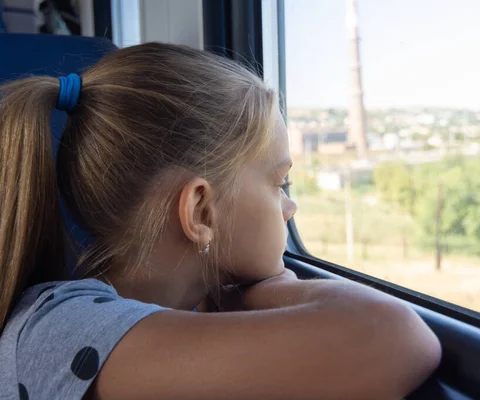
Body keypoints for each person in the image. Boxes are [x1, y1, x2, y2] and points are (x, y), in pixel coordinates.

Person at [0, 43, 441, 400]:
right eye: (279, 183)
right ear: (201, 212)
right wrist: (275, 289)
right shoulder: (63, 328)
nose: (290, 208)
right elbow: (387, 337)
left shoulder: (141, 323)